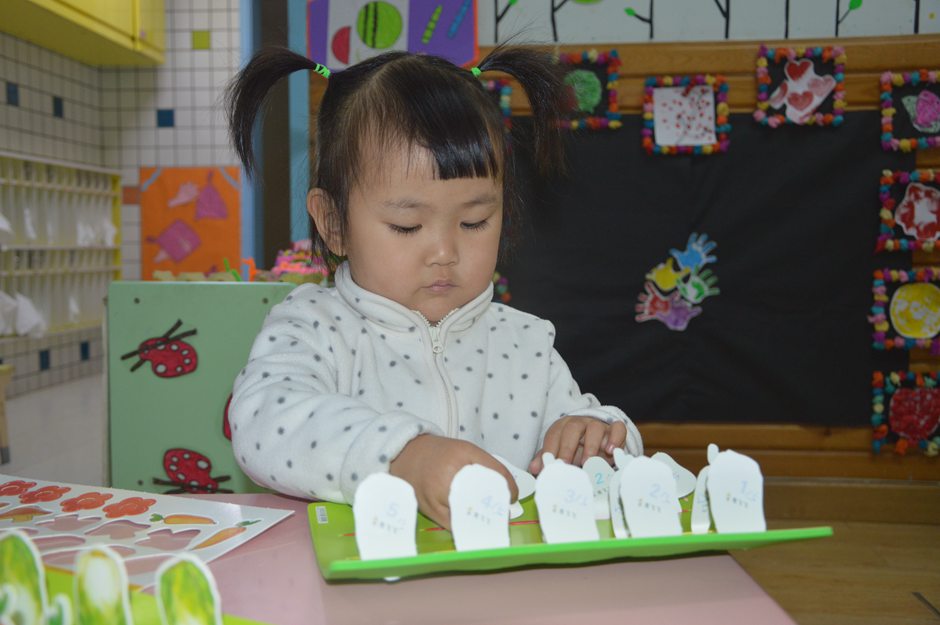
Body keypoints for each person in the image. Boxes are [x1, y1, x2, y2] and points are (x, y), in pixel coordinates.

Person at [226, 45, 643, 528]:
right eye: (407, 226)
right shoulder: (314, 327)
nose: (445, 251)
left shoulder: (526, 343)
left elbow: (603, 437)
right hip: (353, 571)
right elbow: (264, 422)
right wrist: (404, 456)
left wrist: (599, 439)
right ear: (334, 223)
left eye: (474, 221)